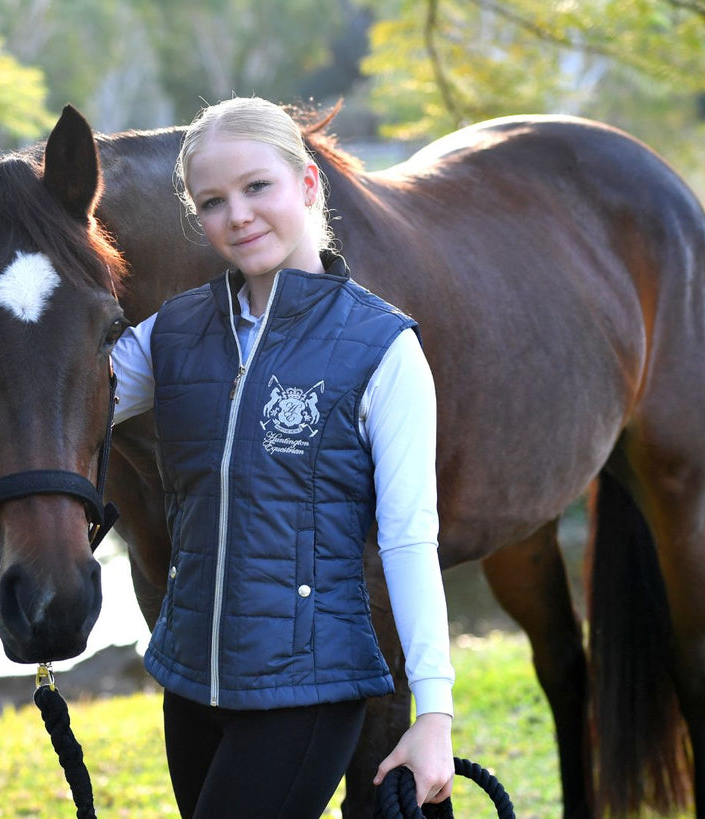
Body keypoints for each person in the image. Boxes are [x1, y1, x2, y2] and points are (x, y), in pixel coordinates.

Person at [111, 95, 455, 819]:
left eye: (256, 186)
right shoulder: (171, 333)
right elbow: (64, 402)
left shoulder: (382, 347)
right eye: (212, 200)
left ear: (307, 184)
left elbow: (408, 537)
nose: (237, 214)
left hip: (309, 686)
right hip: (190, 684)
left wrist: (434, 715)